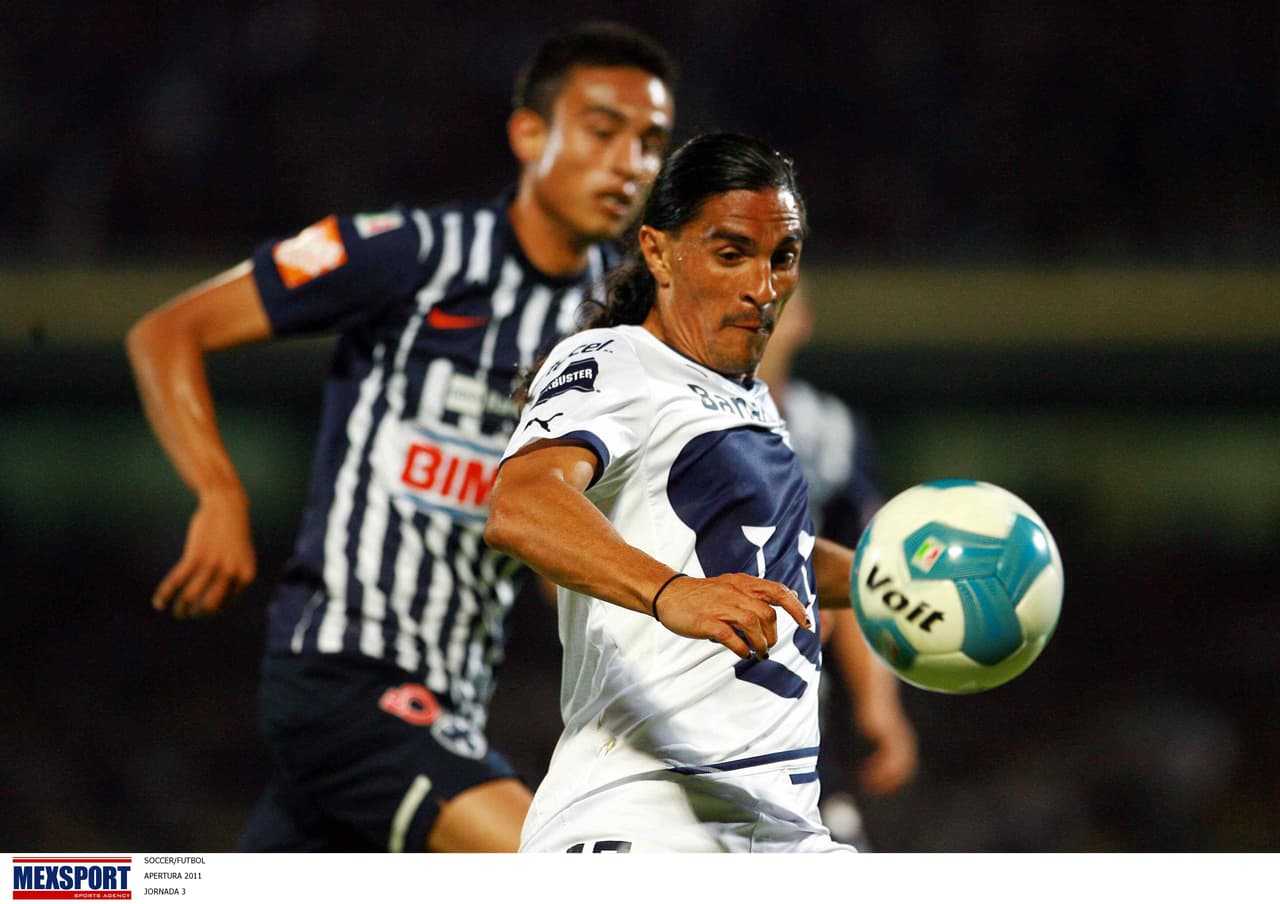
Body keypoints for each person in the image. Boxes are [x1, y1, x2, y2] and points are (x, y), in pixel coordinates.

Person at [124, 21, 677, 853]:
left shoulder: (620, 336)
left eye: (651, 141)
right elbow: (168, 332)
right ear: (531, 133)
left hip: (448, 702)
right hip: (346, 679)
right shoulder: (415, 254)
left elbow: (567, 542)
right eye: (604, 130)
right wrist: (218, 491)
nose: (630, 161)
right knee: (559, 869)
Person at [484, 131, 861, 853]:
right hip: (643, 822)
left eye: (782, 258)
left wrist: (893, 580)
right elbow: (521, 503)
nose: (762, 286)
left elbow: (778, 563)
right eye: (730, 255)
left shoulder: (750, 401)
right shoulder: (620, 359)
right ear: (658, 252)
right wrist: (669, 592)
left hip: (777, 826)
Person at [756, 285, 918, 849]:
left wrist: (879, 706)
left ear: (803, 320)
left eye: (780, 300)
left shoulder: (832, 432)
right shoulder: (670, 413)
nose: (759, 308)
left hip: (800, 721)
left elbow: (858, 573)